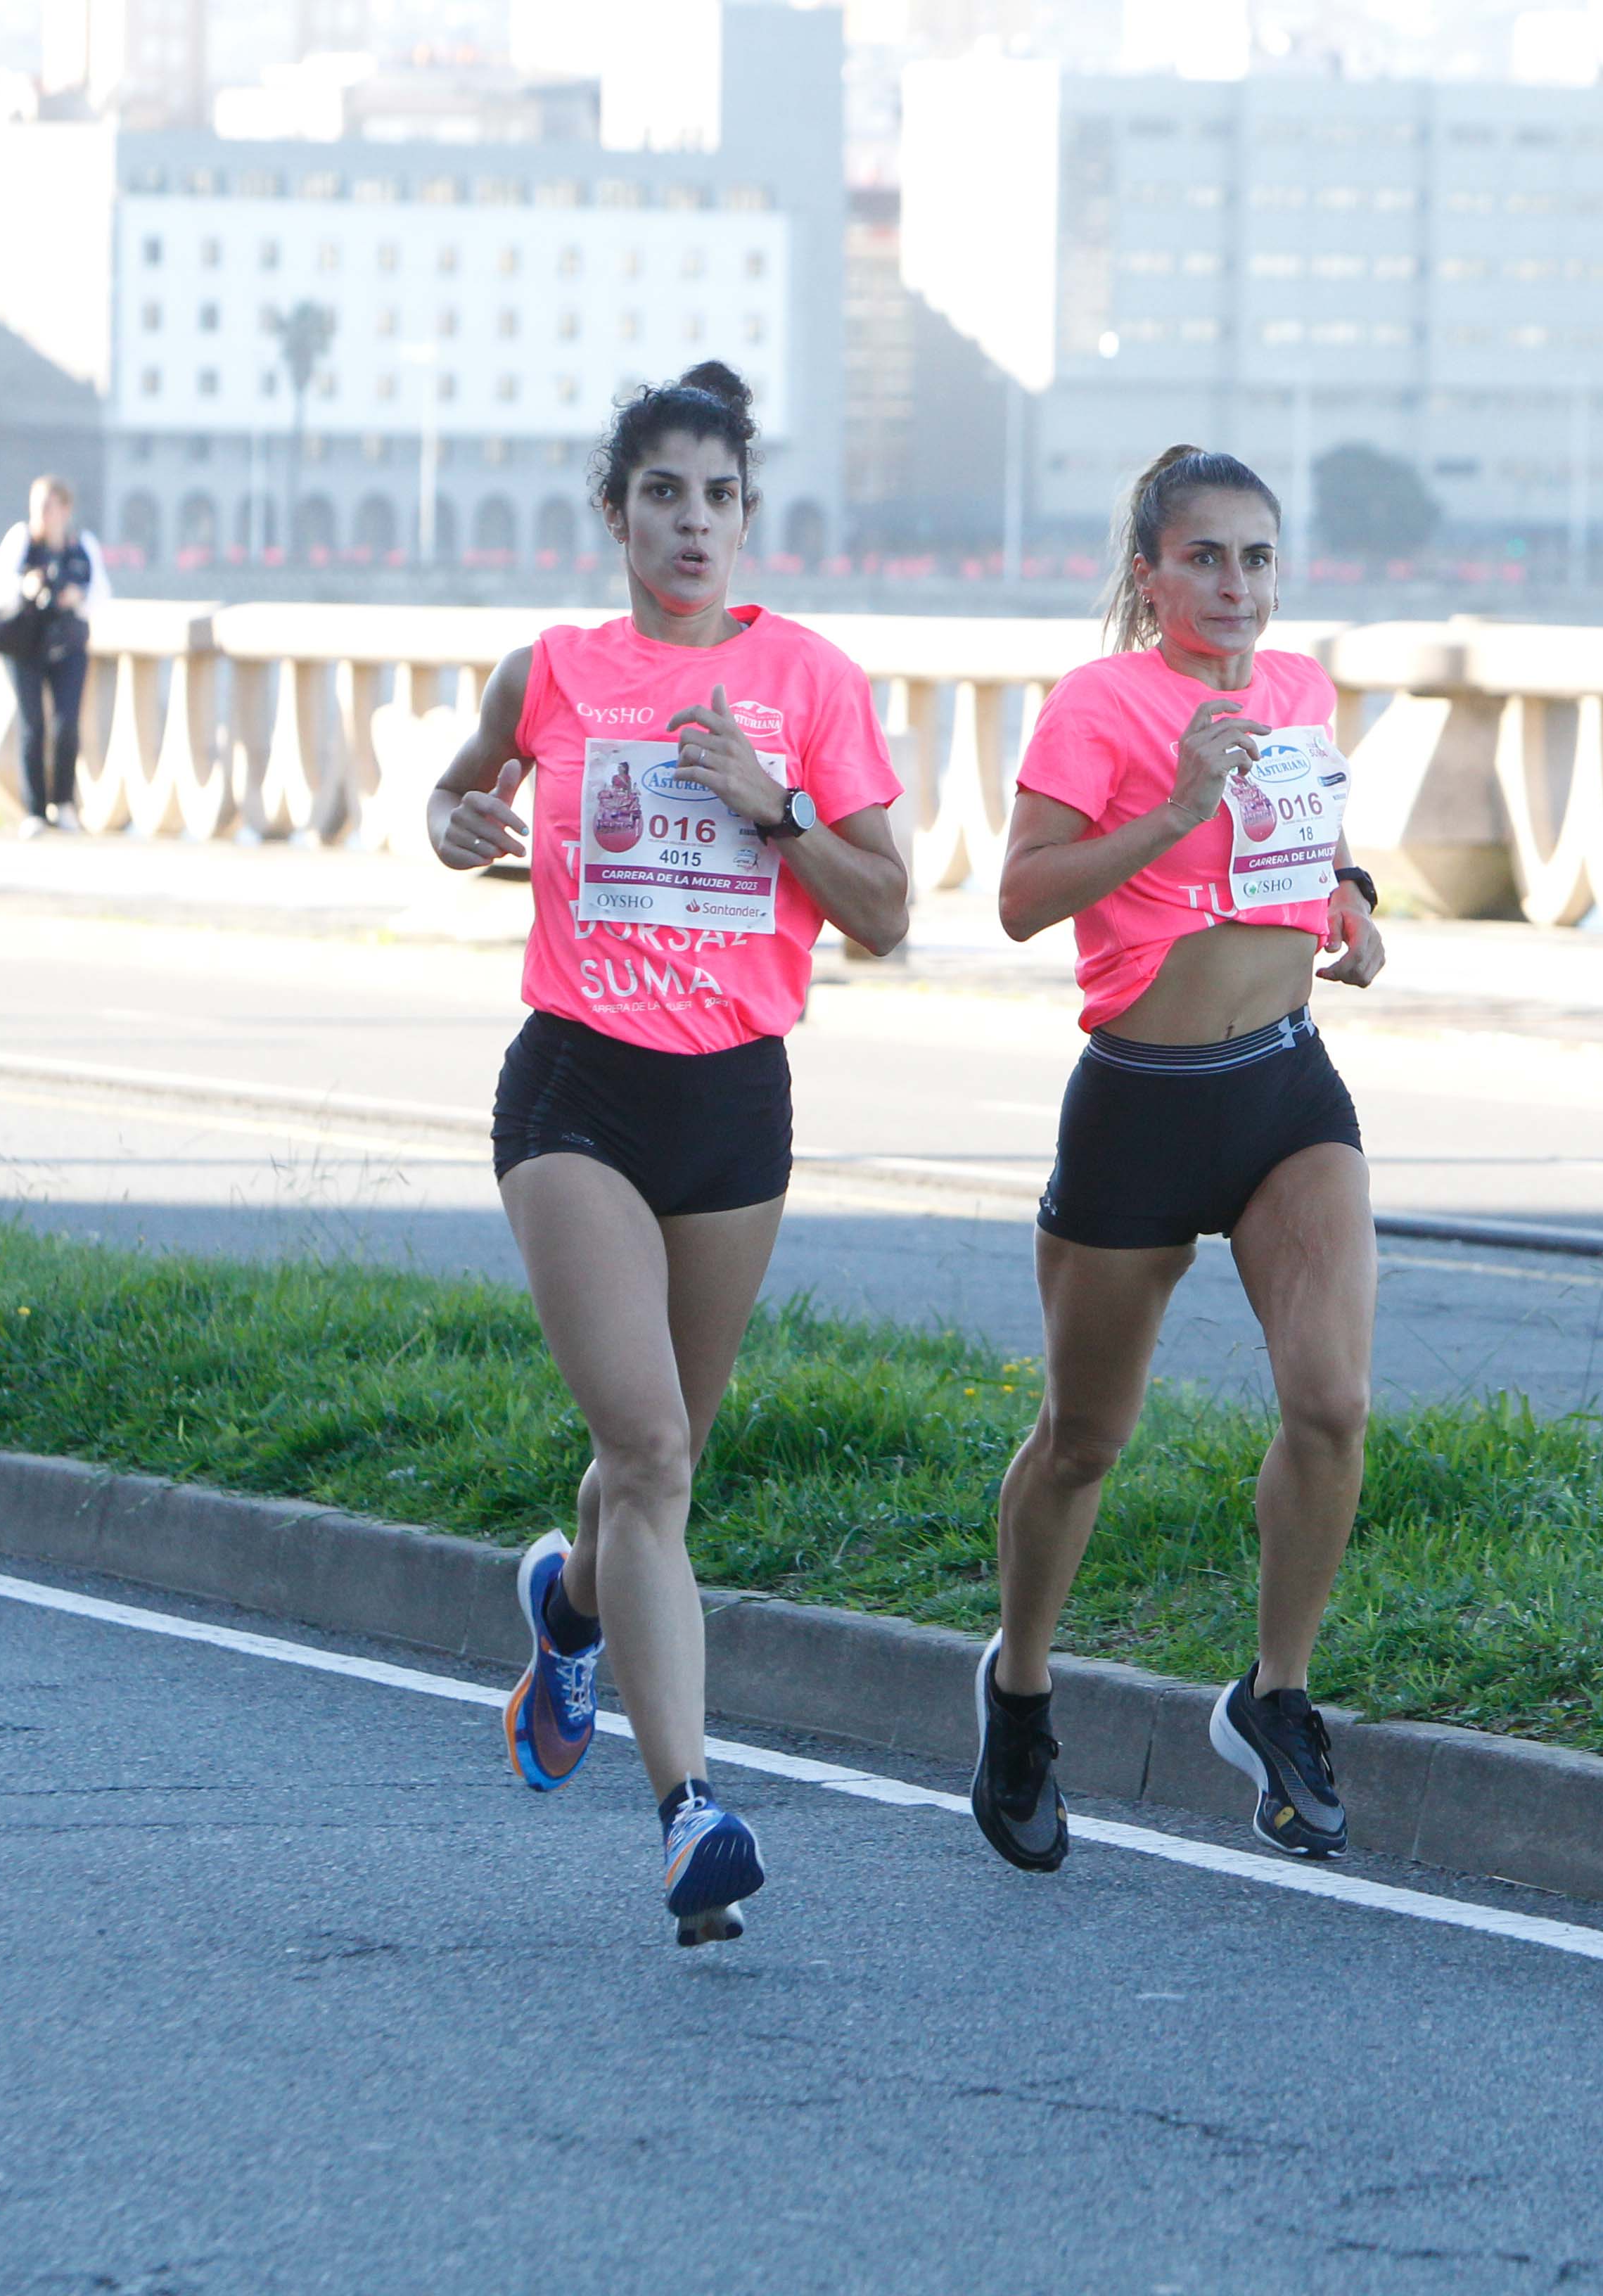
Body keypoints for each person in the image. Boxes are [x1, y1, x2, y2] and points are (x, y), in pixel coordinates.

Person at [424, 362, 909, 1947]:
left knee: (660, 1468)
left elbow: (889, 916)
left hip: (733, 1105)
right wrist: (458, 818)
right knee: (647, 1454)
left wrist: (772, 810)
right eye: (661, 496)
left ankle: (566, 1611)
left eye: (718, 498)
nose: (692, 524)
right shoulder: (555, 671)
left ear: (749, 518)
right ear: (617, 516)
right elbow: (462, 792)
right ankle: (690, 1812)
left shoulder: (811, 684)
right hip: (576, 1090)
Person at [969, 446, 1387, 1874]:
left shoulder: (1299, 693)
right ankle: (1020, 1692)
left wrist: (1354, 904)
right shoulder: (1100, 705)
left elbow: (1310, 845)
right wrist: (1169, 810)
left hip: (1284, 1088)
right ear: (1148, 575)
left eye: (1258, 558)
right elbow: (1022, 900)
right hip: (1142, 1100)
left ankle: (1275, 1696)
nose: (1236, 586)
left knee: (1331, 1401)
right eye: (1206, 557)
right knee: (1084, 1440)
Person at [0, 476, 111, 834]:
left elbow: (101, 592)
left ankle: (64, 803)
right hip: (26, 645)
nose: (41, 513)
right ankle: (35, 810)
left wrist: (76, 597)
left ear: (65, 510)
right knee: (32, 724)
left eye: (48, 505)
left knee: (66, 724)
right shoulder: (21, 541)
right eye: (37, 505)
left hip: (69, 645)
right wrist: (26, 586)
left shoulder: (83, 545)